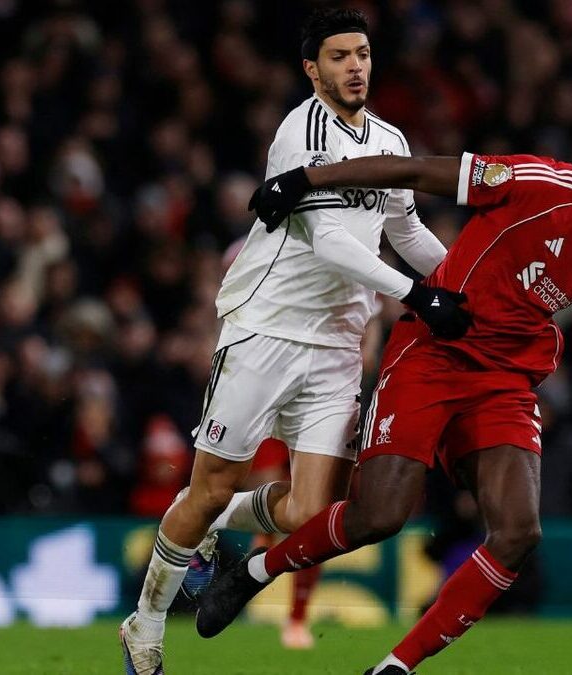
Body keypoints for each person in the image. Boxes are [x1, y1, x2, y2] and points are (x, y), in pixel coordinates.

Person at [196, 123, 572, 675]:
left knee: (519, 533)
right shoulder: (538, 182)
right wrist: (304, 178)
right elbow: (416, 172)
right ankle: (260, 570)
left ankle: (395, 668)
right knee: (378, 515)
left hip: (503, 382)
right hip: (432, 357)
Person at [119, 8, 470, 674]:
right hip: (266, 330)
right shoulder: (300, 133)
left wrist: (463, 283)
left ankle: (214, 526)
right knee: (211, 485)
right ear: (312, 69)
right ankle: (147, 623)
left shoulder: (391, 139)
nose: (356, 66)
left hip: (339, 344)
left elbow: (407, 230)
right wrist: (419, 294)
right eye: (339, 56)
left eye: (362, 53)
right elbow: (328, 241)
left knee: (311, 510)